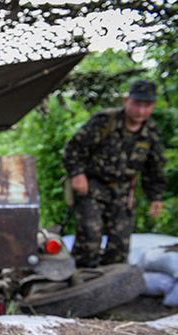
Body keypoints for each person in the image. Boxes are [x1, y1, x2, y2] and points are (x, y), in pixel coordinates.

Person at [63, 80, 166, 268]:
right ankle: (81, 286)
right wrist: (77, 174)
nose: (141, 111)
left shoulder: (150, 132)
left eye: (147, 105)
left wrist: (156, 197)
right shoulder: (104, 122)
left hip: (123, 192)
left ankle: (111, 289)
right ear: (126, 101)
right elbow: (72, 150)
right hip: (92, 187)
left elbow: (154, 168)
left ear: (153, 106)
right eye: (137, 104)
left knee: (119, 246)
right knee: (90, 240)